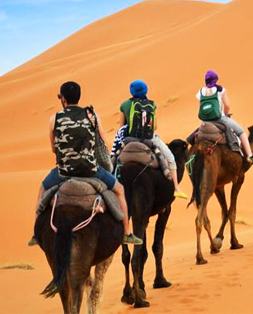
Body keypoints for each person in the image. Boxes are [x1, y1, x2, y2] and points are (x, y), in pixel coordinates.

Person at [29, 81, 142, 246]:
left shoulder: (54, 119)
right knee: (119, 189)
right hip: (90, 170)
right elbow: (102, 141)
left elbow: (54, 148)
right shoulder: (92, 115)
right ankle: (127, 232)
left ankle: (35, 234)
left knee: (42, 188)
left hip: (63, 172)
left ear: (63, 99)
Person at [116, 80, 187, 199]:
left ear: (131, 91)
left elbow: (121, 127)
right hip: (149, 139)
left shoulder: (124, 105)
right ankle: (176, 187)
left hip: (129, 139)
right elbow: (154, 127)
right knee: (170, 158)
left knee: (112, 160)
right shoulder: (151, 105)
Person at [196, 69, 253, 165]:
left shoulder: (200, 92)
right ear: (215, 79)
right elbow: (227, 105)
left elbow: (201, 107)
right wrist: (225, 115)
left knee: (195, 136)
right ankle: (250, 156)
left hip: (205, 121)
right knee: (241, 131)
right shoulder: (220, 90)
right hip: (219, 118)